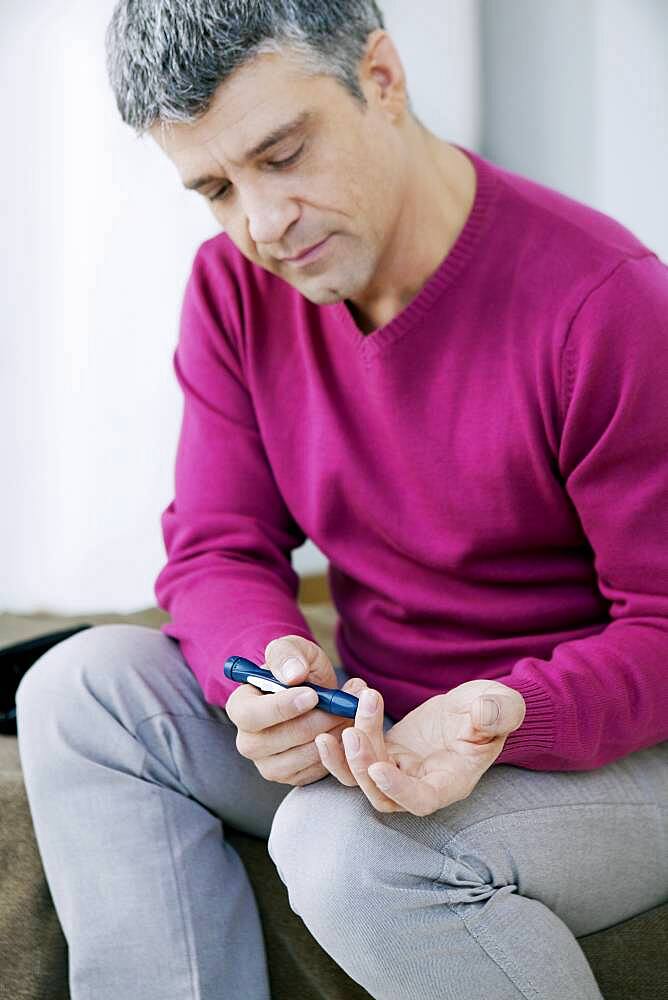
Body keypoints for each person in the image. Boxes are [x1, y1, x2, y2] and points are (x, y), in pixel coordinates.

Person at [15, 2, 668, 998]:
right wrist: (266, 670)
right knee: (75, 686)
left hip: (597, 748)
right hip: (375, 718)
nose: (260, 224)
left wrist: (505, 711)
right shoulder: (234, 288)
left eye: (281, 154)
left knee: (351, 849)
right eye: (215, 189)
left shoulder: (603, 302)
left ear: (381, 77)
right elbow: (218, 546)